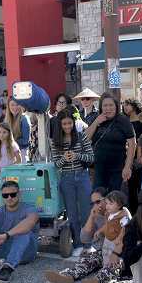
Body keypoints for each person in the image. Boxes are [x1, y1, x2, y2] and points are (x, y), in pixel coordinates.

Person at [44, 190, 129, 283]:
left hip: (118, 253)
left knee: (113, 266)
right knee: (88, 260)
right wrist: (92, 217)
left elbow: (126, 232)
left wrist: (116, 253)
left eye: (98, 202)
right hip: (104, 252)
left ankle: (97, 280)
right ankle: (68, 277)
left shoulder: (122, 215)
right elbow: (84, 239)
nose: (96, 205)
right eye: (92, 203)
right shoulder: (98, 215)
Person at [50, 107, 94, 257]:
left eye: (70, 123)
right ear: (60, 125)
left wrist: (77, 155)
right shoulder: (55, 141)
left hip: (82, 176)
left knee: (86, 212)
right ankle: (77, 244)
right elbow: (55, 164)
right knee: (72, 214)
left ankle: (88, 243)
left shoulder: (82, 137)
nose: (67, 126)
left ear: (74, 123)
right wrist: (64, 159)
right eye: (64, 124)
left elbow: (91, 157)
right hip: (66, 178)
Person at [85, 92, 136, 192]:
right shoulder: (97, 118)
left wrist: (127, 166)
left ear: (116, 106)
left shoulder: (123, 120)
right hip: (99, 168)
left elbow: (132, 144)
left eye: (111, 105)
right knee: (98, 197)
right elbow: (85, 139)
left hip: (118, 168)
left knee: (115, 199)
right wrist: (96, 122)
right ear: (101, 107)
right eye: (105, 105)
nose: (108, 108)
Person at [122, 98, 142, 211]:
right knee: (131, 189)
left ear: (134, 105)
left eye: (128, 104)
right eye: (124, 104)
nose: (125, 107)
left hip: (141, 160)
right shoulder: (124, 121)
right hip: (127, 160)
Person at [4, 98, 31, 162]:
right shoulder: (7, 120)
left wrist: (10, 141)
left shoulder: (24, 119)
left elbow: (25, 141)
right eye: (12, 105)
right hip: (10, 155)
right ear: (8, 106)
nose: (15, 107)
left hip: (22, 154)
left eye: (17, 104)